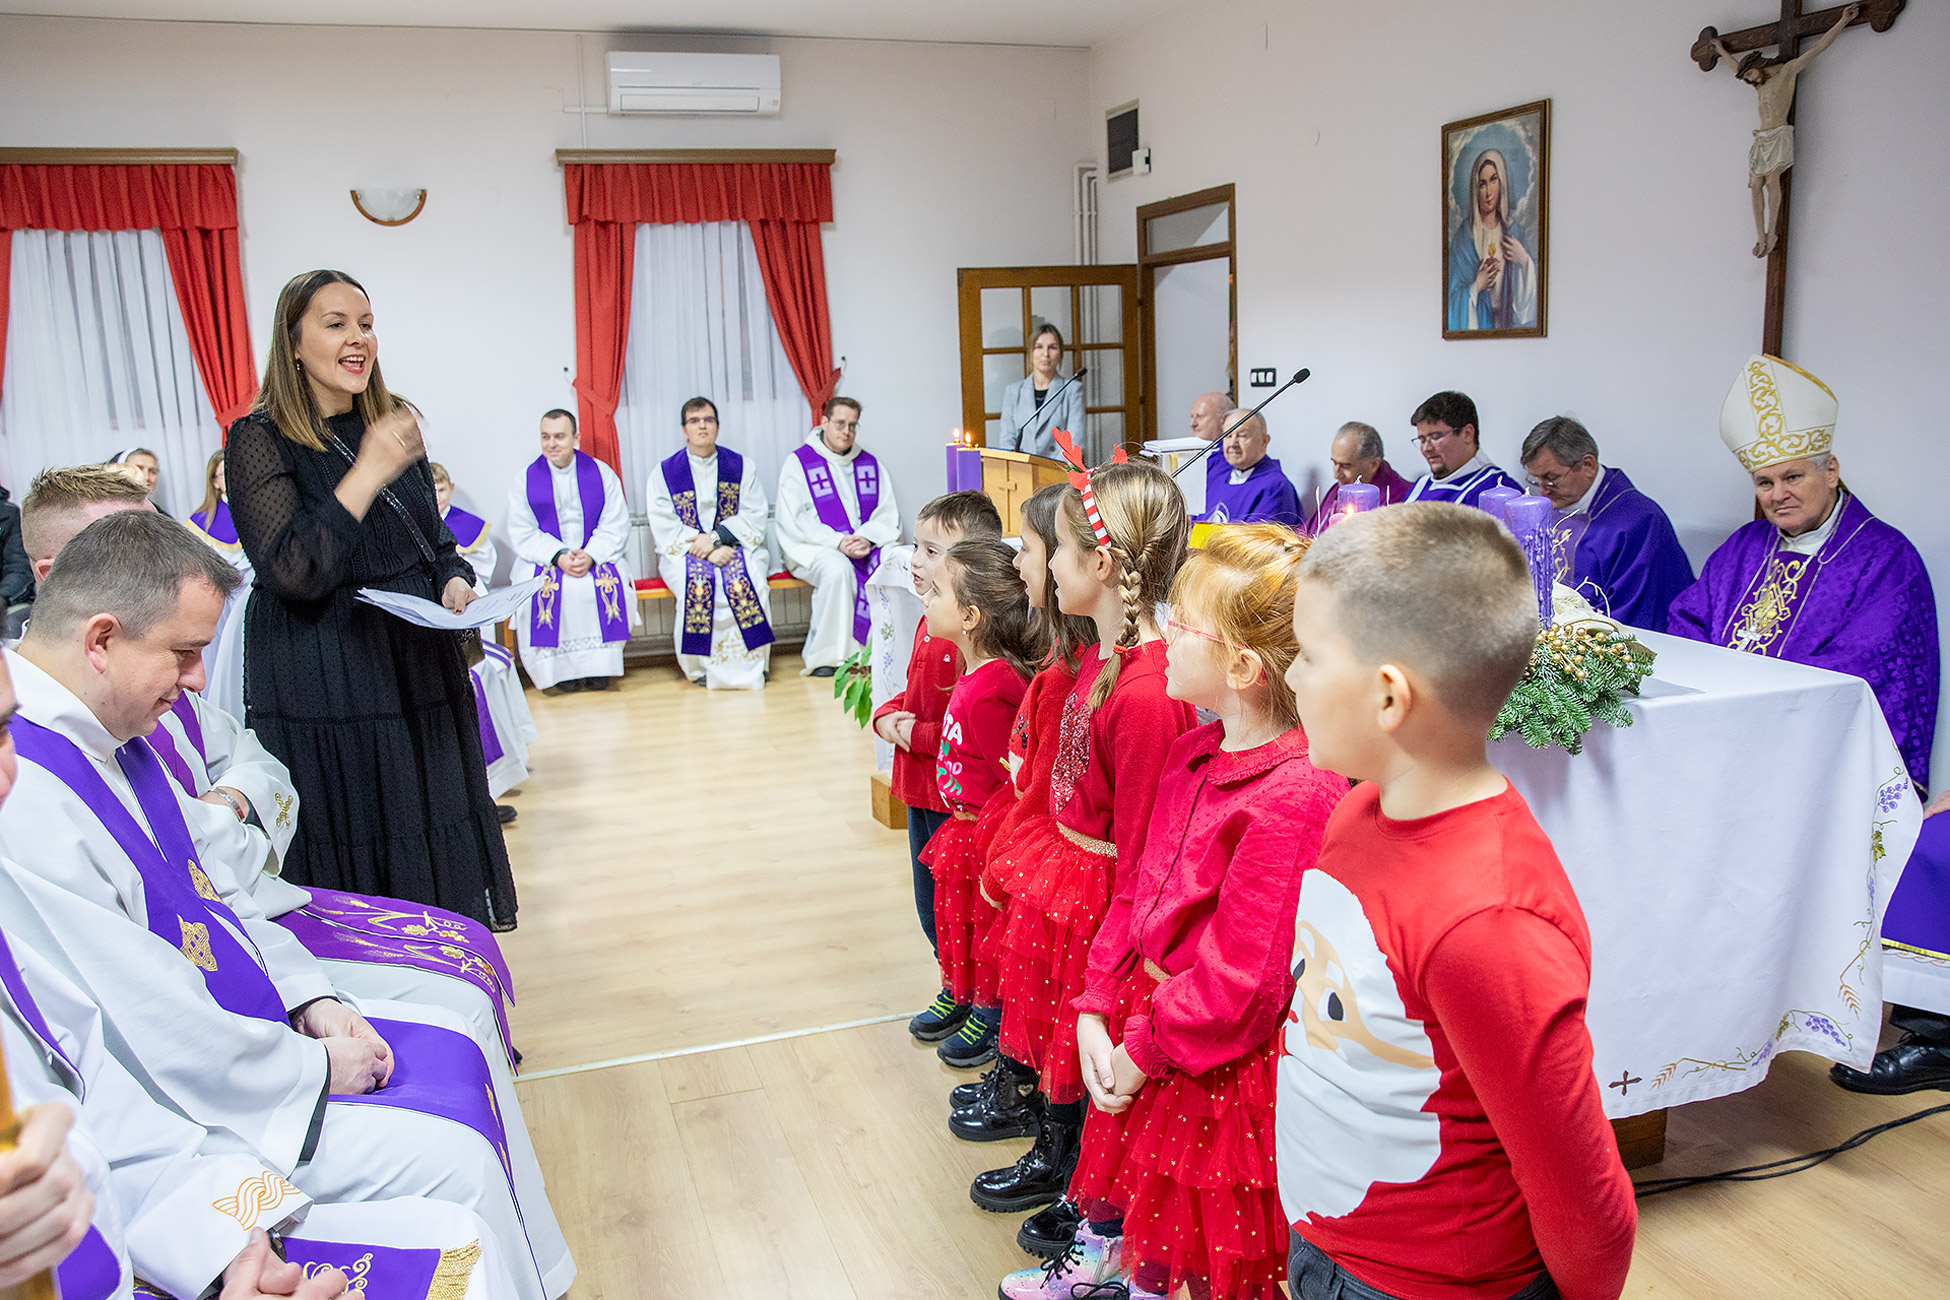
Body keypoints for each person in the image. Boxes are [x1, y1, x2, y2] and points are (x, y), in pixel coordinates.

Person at [0, 510, 574, 1300]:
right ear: (100, 639)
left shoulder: (106, 736)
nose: (198, 679)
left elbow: (217, 894)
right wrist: (309, 1071)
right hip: (203, 1123)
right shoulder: (34, 794)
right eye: (184, 653)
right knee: (456, 1170)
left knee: (457, 1076)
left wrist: (313, 997)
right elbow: (140, 1034)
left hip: (209, 1102)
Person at [1276, 502, 1637, 1300]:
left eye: (1307, 655)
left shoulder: (1489, 921)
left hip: (1430, 1282)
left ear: (1389, 698)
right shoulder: (1357, 812)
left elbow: (1580, 1193)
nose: (1291, 677)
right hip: (1330, 1238)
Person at [1002, 525, 1347, 1300]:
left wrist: (1140, 1049)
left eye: (1182, 624)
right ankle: (1115, 1267)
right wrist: (1095, 1005)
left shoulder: (1297, 794)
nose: (1162, 634)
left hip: (1215, 1057)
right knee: (1138, 1193)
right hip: (1151, 1017)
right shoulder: (1197, 752)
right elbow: (1135, 890)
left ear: (1243, 668)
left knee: (1202, 1235)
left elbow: (1243, 981)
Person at [225, 268, 517, 930]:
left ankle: (446, 974)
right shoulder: (258, 438)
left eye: (365, 324)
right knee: (360, 838)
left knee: (433, 824)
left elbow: (432, 540)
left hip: (413, 662)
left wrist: (453, 579)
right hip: (329, 676)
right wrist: (367, 472)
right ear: (292, 343)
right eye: (335, 325)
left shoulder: (388, 422)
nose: (357, 339)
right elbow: (293, 571)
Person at [975, 451, 1196, 1224]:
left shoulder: (1146, 693)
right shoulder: (1102, 656)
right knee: (1057, 1041)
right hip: (1071, 879)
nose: (1040, 565)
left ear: (1101, 565)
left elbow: (1145, 852)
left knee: (1088, 1052)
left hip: (1105, 901)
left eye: (1057, 550)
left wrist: (1115, 962)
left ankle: (1086, 1194)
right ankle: (1060, 1159)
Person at [1669, 355, 1939, 790]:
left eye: (1792, 476)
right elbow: (1687, 619)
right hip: (1716, 734)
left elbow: (1869, 667)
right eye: (1764, 482)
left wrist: (1751, 692)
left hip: (1811, 760)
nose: (1778, 495)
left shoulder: (1885, 558)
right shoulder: (1744, 546)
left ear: (1830, 471)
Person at [950, 484, 1098, 1161]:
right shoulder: (1059, 662)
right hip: (1042, 851)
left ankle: (1049, 1127)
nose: (1019, 565)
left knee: (1057, 1006)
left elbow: (1046, 785)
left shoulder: (1082, 675)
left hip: (1068, 865)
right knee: (1036, 996)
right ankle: (1030, 1099)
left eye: (1035, 549)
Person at [874, 491, 1004, 1047]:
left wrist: (914, 734)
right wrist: (888, 713)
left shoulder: (965, 634)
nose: (914, 561)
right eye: (916, 547)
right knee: (932, 907)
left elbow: (965, 727)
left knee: (962, 907)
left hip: (953, 797)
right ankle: (953, 983)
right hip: (919, 787)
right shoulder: (933, 618)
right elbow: (918, 694)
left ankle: (981, 999)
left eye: (931, 551)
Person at [921, 539, 1042, 1091]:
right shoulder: (972, 674)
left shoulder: (996, 687)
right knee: (961, 925)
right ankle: (967, 997)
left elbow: (1008, 781)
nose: (926, 597)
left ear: (969, 617)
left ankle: (990, 1015)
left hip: (985, 836)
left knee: (988, 930)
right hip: (963, 830)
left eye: (936, 591)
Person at [1709, 3, 1861, 258]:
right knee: (1755, 185)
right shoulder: (1759, 85)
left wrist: (1842, 21)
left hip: (1778, 134)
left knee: (1772, 182)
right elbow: (1735, 65)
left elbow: (1818, 48)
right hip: (1761, 138)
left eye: (1750, 75)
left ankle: (1772, 233)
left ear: (1758, 65)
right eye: (1747, 79)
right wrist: (1721, 50)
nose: (1749, 81)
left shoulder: (1787, 73)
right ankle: (1760, 236)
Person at [644, 397, 775, 690]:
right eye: (694, 421)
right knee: (695, 586)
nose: (702, 426)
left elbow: (754, 515)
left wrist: (716, 540)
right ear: (684, 429)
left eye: (708, 420)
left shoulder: (741, 467)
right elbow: (663, 523)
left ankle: (756, 663)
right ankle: (698, 669)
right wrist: (705, 551)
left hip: (734, 546)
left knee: (754, 581)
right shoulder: (664, 473)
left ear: (717, 426)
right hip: (685, 552)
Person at [1519, 417, 1694, 633]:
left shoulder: (1639, 523)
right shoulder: (1552, 508)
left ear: (1588, 465)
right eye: (1536, 480)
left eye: (1552, 478)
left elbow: (1632, 616)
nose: (1544, 491)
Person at [506, 409, 635, 694]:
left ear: (576, 438)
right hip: (547, 557)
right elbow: (522, 530)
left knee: (609, 586)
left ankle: (600, 669)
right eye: (545, 437)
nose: (551, 444)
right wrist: (558, 556)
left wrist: (591, 555)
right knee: (537, 593)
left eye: (559, 437)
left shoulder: (602, 473)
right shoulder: (525, 479)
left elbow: (615, 522)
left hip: (595, 554)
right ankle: (558, 672)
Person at [435, 461, 535, 818]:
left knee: (496, 665)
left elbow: (480, 570)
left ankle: (512, 758)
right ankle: (482, 792)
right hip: (438, 622)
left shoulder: (465, 524)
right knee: (479, 676)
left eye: (440, 488)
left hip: (460, 605)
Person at [775, 397, 902, 676]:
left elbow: (886, 511)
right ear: (824, 422)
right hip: (814, 546)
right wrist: (838, 542)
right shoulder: (799, 463)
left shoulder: (869, 463)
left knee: (892, 560)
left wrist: (867, 537)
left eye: (853, 426)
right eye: (840, 424)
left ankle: (882, 652)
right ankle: (828, 658)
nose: (847, 431)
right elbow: (796, 518)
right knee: (837, 570)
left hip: (862, 544)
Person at [185, 449, 251, 720]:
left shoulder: (260, 512)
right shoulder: (200, 523)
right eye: (225, 474)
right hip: (219, 601)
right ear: (214, 481)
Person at [1446, 150, 1537, 331]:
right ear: (1475, 189)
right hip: (1479, 325)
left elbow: (1529, 309)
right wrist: (1476, 286)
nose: (1488, 192)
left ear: (1501, 182)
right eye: (1482, 184)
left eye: (1493, 180)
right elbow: (1451, 300)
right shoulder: (1463, 239)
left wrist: (1524, 260)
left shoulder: (1514, 232)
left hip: (1508, 326)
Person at [1402, 391, 1520, 508]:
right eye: (1422, 439)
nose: (1426, 448)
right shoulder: (1421, 486)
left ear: (1467, 434)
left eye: (1435, 437)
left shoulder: (1497, 491)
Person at [996, 324, 1087, 461]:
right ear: (1031, 353)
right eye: (1039, 347)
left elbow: (1075, 443)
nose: (1046, 354)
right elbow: (1007, 441)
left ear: (1061, 355)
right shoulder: (1013, 391)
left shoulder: (1072, 390)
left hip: (1058, 470)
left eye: (1052, 347)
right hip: (1022, 470)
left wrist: (1050, 470)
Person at [1302, 422, 1412, 536]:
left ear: (1373, 464)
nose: (1336, 475)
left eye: (1345, 466)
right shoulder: (1341, 488)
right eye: (1334, 463)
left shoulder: (1400, 499)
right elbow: (1306, 533)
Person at [1199, 410, 1302, 527]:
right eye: (1228, 436)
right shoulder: (1216, 477)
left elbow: (1258, 536)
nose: (1232, 443)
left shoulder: (1275, 486)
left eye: (1242, 436)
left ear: (1264, 441)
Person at [0, 483, 30, 637]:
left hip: (7, 602)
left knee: (10, 625)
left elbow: (20, 569)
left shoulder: (8, 515)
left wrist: (2, 597)